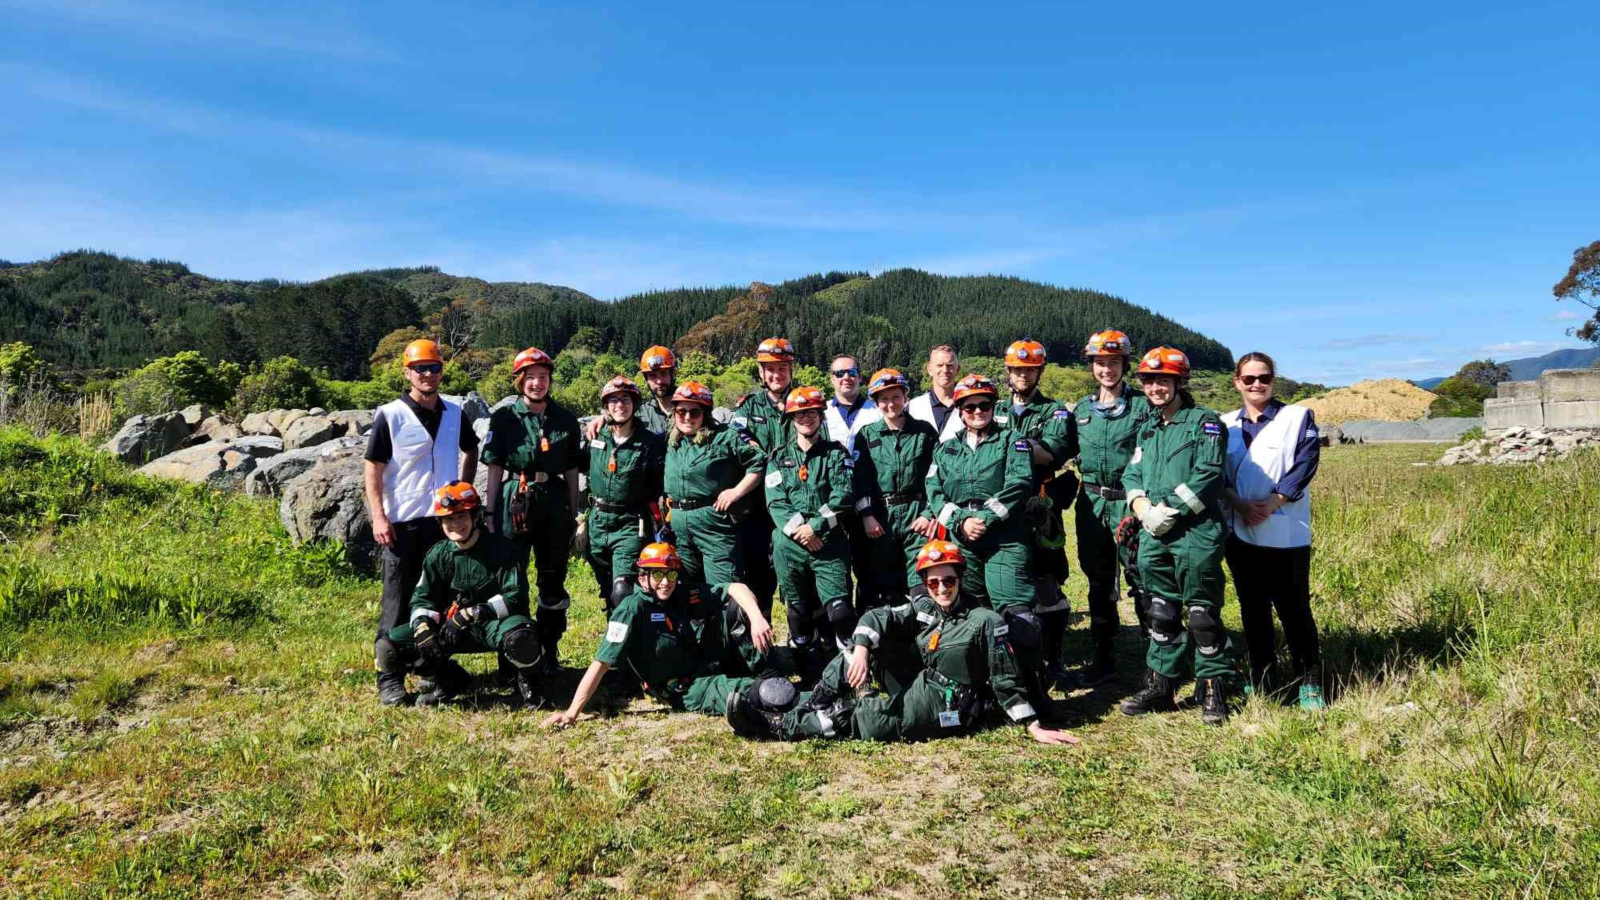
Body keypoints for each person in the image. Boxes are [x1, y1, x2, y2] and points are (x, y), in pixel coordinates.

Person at [724, 540, 1078, 745]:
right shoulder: (926, 609)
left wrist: (1031, 724)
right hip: (922, 679)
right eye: (934, 582)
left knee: (863, 716)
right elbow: (882, 617)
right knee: (854, 651)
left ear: (960, 579)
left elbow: (1005, 678)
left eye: (949, 581)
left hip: (949, 701)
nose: (942, 588)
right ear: (924, 584)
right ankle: (808, 706)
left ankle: (776, 727)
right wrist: (862, 647)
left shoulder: (985, 621)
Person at [542, 542, 783, 727]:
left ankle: (767, 671)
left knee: (737, 608)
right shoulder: (631, 610)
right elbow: (601, 663)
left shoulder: (680, 592)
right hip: (684, 687)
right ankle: (785, 695)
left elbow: (735, 587)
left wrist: (757, 617)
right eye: (657, 575)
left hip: (699, 661)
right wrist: (572, 712)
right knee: (754, 694)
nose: (666, 582)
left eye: (671, 574)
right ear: (642, 577)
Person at [916, 373, 1048, 704]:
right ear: (960, 410)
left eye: (984, 405)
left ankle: (1032, 690)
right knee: (971, 615)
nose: (978, 411)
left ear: (993, 406)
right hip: (964, 541)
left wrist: (985, 519)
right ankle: (979, 688)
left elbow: (1019, 483)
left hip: (1004, 538)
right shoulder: (946, 450)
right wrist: (961, 521)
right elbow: (933, 490)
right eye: (970, 406)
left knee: (1019, 618)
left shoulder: (1012, 441)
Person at [1118, 347, 1233, 725]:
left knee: (1202, 615)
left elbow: (1209, 472)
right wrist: (1139, 505)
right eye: (1149, 381)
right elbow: (1132, 472)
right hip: (1154, 533)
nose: (1155, 387)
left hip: (1195, 533)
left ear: (1179, 382)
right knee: (1161, 612)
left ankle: (1213, 687)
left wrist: (1168, 509)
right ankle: (1161, 685)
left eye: (1163, 380)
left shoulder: (1205, 423)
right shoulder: (1148, 426)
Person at [363, 338, 480, 706]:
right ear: (407, 372)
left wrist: (464, 490)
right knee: (397, 603)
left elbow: (471, 448)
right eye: (420, 368)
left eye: (434, 367)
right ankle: (389, 677)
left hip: (442, 523)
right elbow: (373, 468)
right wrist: (378, 515)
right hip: (401, 522)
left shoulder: (454, 413)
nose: (428, 374)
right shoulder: (391, 414)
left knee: (436, 601)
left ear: (442, 371)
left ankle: (431, 669)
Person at [375, 481, 544, 708]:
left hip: (496, 625)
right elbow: (422, 599)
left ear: (476, 517)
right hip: (451, 628)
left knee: (521, 638)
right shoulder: (438, 555)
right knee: (390, 646)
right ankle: (450, 679)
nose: (455, 524)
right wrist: (422, 626)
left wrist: (473, 613)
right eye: (448, 519)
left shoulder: (503, 549)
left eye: (461, 517)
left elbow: (516, 596)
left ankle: (529, 685)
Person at [1221, 352, 1325, 710]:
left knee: (1294, 608)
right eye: (1248, 379)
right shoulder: (1225, 424)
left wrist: (1274, 501)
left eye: (1263, 378)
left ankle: (1309, 679)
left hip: (1286, 530)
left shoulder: (1297, 417)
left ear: (1272, 380)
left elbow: (1306, 462)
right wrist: (1238, 503)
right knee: (1252, 608)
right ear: (1237, 382)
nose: (1256, 385)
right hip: (1240, 529)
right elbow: (1217, 473)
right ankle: (1263, 674)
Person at [481, 347, 582, 675]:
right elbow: (495, 467)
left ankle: (549, 650)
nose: (537, 383)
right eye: (531, 377)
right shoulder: (504, 418)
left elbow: (570, 470)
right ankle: (513, 650)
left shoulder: (565, 419)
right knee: (512, 578)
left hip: (553, 499)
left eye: (543, 377)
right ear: (519, 381)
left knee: (552, 578)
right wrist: (490, 512)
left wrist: (573, 512)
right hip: (515, 499)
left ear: (550, 380)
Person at [1071, 330, 1152, 686]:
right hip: (1090, 504)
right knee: (1098, 582)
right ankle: (1103, 657)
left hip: (1129, 503)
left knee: (1141, 578)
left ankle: (1156, 662)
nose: (1107, 369)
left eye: (1113, 363)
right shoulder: (1081, 410)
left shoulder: (1142, 407)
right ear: (1092, 366)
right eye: (1100, 363)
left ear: (1125, 365)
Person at [998, 339, 1079, 687]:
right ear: (1008, 371)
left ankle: (1055, 657)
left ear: (1039, 372)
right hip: (1001, 504)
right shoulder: (993, 406)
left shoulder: (1055, 411)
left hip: (1039, 504)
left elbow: (1051, 452)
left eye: (1029, 369)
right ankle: (1014, 655)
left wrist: (999, 446)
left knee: (1047, 581)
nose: (1022, 375)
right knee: (1007, 579)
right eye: (1017, 369)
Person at [766, 385, 857, 665]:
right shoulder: (778, 458)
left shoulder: (836, 454)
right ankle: (807, 665)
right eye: (799, 414)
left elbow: (844, 496)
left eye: (812, 414)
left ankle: (850, 663)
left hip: (828, 540)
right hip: (789, 544)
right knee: (798, 611)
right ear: (792, 419)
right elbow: (776, 501)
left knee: (840, 612)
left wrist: (815, 527)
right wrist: (801, 531)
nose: (806, 419)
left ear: (821, 416)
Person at [575, 376, 666, 616]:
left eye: (626, 399)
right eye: (613, 400)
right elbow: (576, 471)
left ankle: (626, 645)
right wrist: (580, 518)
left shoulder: (651, 442)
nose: (620, 405)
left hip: (630, 523)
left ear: (635, 405)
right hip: (597, 522)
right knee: (606, 588)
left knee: (622, 588)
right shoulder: (595, 437)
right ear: (606, 406)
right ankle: (615, 638)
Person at [662, 380, 765, 590]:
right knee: (688, 592)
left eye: (695, 412)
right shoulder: (673, 440)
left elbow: (759, 462)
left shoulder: (724, 437)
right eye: (681, 412)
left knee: (723, 588)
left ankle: (728, 623)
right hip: (680, 526)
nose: (687, 417)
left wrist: (736, 492)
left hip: (714, 524)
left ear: (705, 414)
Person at [851, 369, 939, 609]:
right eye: (884, 399)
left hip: (917, 514)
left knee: (921, 580)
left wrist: (929, 513)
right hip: (881, 516)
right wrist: (867, 516)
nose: (891, 404)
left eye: (896, 397)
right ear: (877, 403)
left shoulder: (925, 432)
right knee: (882, 584)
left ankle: (924, 636)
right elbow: (860, 480)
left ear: (905, 397)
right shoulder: (866, 436)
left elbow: (938, 476)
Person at [730, 337, 795, 614]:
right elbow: (736, 438)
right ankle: (761, 632)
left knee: (798, 573)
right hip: (756, 505)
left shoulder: (804, 401)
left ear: (791, 369)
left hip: (796, 500)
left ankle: (804, 641)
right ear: (760, 372)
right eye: (770, 369)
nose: (776, 374)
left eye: (782, 368)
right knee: (759, 573)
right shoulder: (749, 405)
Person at [586, 346, 677, 440]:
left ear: (674, 374)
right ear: (646, 379)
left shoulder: (689, 407)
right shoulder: (642, 412)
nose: (659, 381)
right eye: (652, 376)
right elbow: (622, 413)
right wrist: (604, 418)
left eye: (664, 373)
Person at [823, 354, 879, 455]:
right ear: (832, 379)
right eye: (840, 373)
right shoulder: (822, 413)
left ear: (860, 377)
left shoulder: (877, 411)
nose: (846, 377)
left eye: (852, 372)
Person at [908, 345, 964, 442]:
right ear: (930, 369)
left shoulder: (970, 407)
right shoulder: (913, 407)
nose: (945, 370)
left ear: (957, 369)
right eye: (939, 365)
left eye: (950, 365)